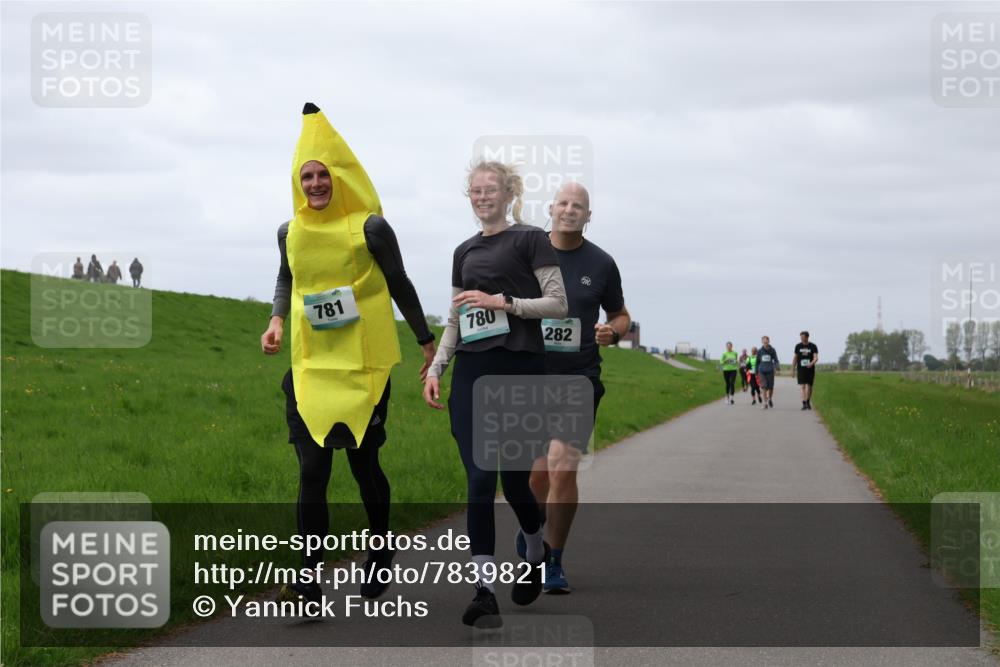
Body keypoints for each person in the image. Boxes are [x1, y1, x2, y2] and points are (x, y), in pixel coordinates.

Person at [261, 103, 436, 609]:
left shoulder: (371, 228)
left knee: (363, 464)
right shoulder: (289, 232)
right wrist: (276, 320)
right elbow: (287, 276)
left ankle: (380, 550)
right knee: (313, 470)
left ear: (340, 178)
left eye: (323, 175)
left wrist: (426, 342)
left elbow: (399, 283)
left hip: (363, 368)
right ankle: (308, 579)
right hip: (311, 367)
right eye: (307, 176)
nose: (315, 184)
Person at [423, 160, 568, 627]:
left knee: (516, 482)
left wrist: (503, 303)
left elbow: (558, 303)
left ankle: (534, 550)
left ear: (509, 194)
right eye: (475, 190)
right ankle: (484, 590)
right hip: (473, 373)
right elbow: (455, 318)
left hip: (521, 371)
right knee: (481, 479)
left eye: (491, 189)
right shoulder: (463, 251)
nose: (482, 196)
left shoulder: (531, 239)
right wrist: (437, 369)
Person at [519, 182, 628, 595]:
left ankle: (554, 560)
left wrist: (612, 332)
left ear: (588, 215)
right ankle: (533, 535)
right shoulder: (526, 252)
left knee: (563, 468)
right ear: (550, 208)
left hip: (578, 379)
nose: (569, 210)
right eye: (563, 203)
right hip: (531, 378)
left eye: (577, 206)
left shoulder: (601, 263)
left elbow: (620, 314)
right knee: (536, 477)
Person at [792, 331, 819, 410]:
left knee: (809, 386)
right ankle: (804, 403)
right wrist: (793, 369)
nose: (802, 339)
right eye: (801, 337)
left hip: (810, 369)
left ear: (807, 337)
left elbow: (816, 357)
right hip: (801, 369)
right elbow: (795, 358)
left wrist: (812, 363)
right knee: (803, 386)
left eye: (803, 337)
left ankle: (808, 401)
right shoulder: (798, 346)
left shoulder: (813, 346)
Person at [755, 336, 780, 409]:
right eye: (764, 341)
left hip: (770, 370)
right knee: (764, 386)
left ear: (768, 341)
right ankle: (765, 403)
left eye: (766, 341)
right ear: (762, 342)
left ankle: (770, 399)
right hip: (762, 371)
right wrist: (756, 372)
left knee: (770, 387)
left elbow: (776, 359)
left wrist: (777, 366)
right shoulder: (759, 351)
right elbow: (757, 362)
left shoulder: (772, 350)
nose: (765, 342)